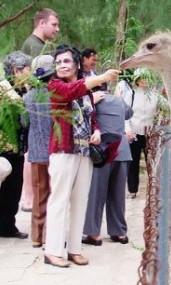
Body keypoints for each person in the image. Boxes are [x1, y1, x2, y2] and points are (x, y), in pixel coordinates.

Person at [44, 45, 120, 268]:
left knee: (80, 201)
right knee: (59, 200)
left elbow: (91, 116)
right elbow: (72, 92)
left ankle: (74, 249)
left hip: (84, 152)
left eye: (66, 61)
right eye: (58, 62)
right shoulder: (55, 86)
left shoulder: (85, 91)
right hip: (63, 151)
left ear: (76, 64)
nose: (62, 66)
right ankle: (53, 251)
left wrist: (96, 131)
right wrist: (102, 78)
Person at [0, 51, 31, 239]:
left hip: (17, 147)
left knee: (13, 190)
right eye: (28, 69)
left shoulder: (25, 89)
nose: (30, 72)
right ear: (16, 70)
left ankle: (6, 227)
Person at [82, 91, 133, 246]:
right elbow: (129, 113)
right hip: (122, 150)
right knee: (117, 194)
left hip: (102, 152)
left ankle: (93, 233)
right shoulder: (118, 100)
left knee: (96, 194)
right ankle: (120, 233)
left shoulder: (91, 101)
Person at [24, 54, 55, 247]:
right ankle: (48, 236)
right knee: (54, 195)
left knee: (39, 194)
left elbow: (23, 122)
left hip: (35, 151)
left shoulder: (27, 97)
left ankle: (36, 235)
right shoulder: (56, 95)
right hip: (54, 151)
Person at [114, 68, 160, 199]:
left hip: (150, 134)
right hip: (134, 134)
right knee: (133, 163)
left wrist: (156, 130)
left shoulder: (156, 95)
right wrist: (127, 130)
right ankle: (132, 190)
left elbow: (160, 114)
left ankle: (153, 190)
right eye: (142, 78)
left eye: (147, 78)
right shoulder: (131, 94)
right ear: (137, 80)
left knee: (152, 163)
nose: (144, 81)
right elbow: (125, 114)